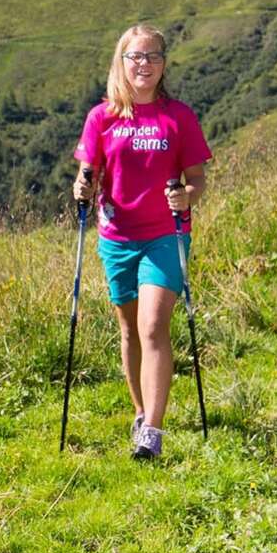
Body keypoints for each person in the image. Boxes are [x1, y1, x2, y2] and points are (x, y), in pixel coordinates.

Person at [71, 24, 210, 460]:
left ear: (164, 63)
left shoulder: (179, 117)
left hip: (166, 234)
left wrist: (186, 196)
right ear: (122, 62)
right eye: (135, 56)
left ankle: (152, 430)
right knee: (130, 330)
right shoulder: (102, 117)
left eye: (152, 56)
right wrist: (82, 187)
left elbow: (198, 178)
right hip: (117, 236)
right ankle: (139, 411)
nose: (144, 64)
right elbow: (87, 173)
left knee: (153, 326)